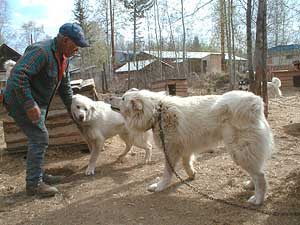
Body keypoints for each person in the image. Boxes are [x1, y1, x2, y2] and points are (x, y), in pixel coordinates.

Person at [3, 23, 89, 197]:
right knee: (40, 137)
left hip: (36, 102)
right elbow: (19, 76)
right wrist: (29, 104)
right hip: (19, 100)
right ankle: (34, 185)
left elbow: (65, 88)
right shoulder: (41, 51)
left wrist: (72, 110)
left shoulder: (64, 58)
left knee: (39, 137)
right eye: (76, 45)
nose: (77, 50)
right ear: (65, 40)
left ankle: (39, 175)